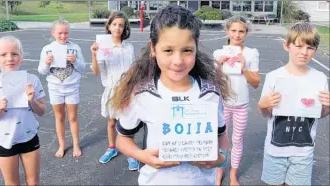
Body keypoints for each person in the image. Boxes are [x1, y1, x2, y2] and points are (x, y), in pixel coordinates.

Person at [112, 5, 230, 185]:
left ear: (195, 48)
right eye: (168, 50)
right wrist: (142, 156)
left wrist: (220, 159)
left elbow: (222, 137)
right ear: (153, 48)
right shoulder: (141, 93)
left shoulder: (210, 92)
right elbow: (122, 138)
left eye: (187, 50)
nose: (177, 61)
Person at [258, 22, 330, 186]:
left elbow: (320, 114)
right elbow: (266, 114)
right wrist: (263, 105)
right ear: (287, 46)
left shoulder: (320, 78)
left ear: (315, 50)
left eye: (310, 48)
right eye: (298, 46)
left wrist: (327, 106)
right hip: (275, 147)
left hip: (303, 150)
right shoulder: (274, 77)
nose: (304, 52)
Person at [0, 36, 46, 185]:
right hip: (5, 140)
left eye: (14, 54)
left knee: (33, 182)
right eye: (3, 54)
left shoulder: (32, 80)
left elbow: (41, 111)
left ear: (22, 57)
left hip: (29, 137)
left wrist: (32, 100)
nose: (10, 58)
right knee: (12, 183)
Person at [213, 16, 260, 186]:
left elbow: (255, 83)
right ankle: (218, 172)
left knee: (237, 139)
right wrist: (218, 65)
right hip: (222, 103)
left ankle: (233, 174)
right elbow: (212, 82)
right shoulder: (218, 53)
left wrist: (244, 66)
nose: (237, 35)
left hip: (241, 104)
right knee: (220, 139)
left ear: (246, 33)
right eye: (233, 31)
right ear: (227, 31)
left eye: (241, 31)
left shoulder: (251, 53)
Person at [90, 11, 139, 170]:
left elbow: (132, 68)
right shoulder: (102, 46)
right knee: (111, 121)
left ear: (124, 29)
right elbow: (96, 72)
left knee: (128, 123)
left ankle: (131, 153)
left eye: (121, 25)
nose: (118, 28)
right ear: (109, 26)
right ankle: (112, 147)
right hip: (111, 90)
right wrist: (93, 54)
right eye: (115, 24)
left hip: (127, 89)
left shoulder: (129, 47)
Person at [38, 19, 86, 158]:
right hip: (55, 88)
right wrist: (47, 63)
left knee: (72, 117)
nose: (63, 36)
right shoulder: (47, 49)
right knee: (59, 117)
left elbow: (82, 68)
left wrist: (75, 61)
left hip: (72, 87)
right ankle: (62, 145)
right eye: (60, 33)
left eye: (66, 33)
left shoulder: (75, 48)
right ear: (53, 33)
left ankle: (76, 144)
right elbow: (41, 70)